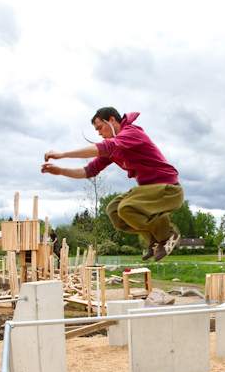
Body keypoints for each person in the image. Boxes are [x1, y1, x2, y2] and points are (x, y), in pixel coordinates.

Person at [41, 107, 183, 261]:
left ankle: (167, 234)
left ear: (112, 120)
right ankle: (155, 241)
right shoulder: (114, 149)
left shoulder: (131, 133)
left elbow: (103, 147)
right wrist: (61, 171)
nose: (100, 134)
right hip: (150, 190)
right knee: (114, 210)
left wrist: (62, 154)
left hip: (168, 189)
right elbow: (90, 170)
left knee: (126, 207)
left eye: (100, 128)